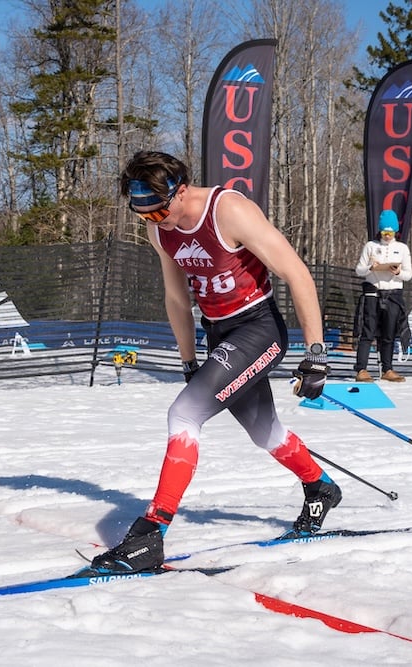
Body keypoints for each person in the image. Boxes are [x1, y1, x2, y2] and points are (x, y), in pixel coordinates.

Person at [89, 150, 341, 573]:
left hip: (258, 328)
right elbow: (176, 297)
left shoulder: (229, 210)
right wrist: (189, 360)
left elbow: (296, 273)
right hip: (219, 333)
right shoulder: (159, 230)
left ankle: (151, 532)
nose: (156, 221)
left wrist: (315, 355)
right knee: (265, 432)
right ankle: (320, 487)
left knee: (184, 413)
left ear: (181, 190)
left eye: (160, 211)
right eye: (144, 215)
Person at [352, 209, 412, 382]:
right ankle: (361, 369)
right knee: (367, 331)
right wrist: (371, 268)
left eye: (391, 232)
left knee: (389, 333)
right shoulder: (371, 246)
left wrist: (398, 271)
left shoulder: (402, 248)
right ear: (380, 231)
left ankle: (387, 369)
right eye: (385, 232)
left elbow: (408, 275)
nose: (387, 236)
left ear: (396, 232)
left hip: (393, 293)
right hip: (372, 292)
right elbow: (359, 270)